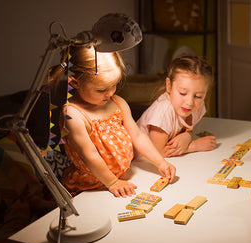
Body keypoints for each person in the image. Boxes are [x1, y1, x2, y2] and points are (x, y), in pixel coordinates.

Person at [51, 45, 176, 198]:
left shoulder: (117, 103)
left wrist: (160, 162)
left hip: (123, 177)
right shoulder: (72, 115)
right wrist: (112, 182)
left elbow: (137, 136)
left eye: (113, 85)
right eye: (101, 90)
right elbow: (89, 155)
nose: (110, 93)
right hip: (91, 187)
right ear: (75, 83)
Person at [136, 56, 216, 157]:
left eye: (198, 96)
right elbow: (157, 153)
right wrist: (194, 146)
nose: (190, 102)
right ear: (169, 86)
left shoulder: (197, 106)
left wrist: (187, 136)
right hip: (140, 162)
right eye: (183, 93)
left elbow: (188, 129)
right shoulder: (163, 113)